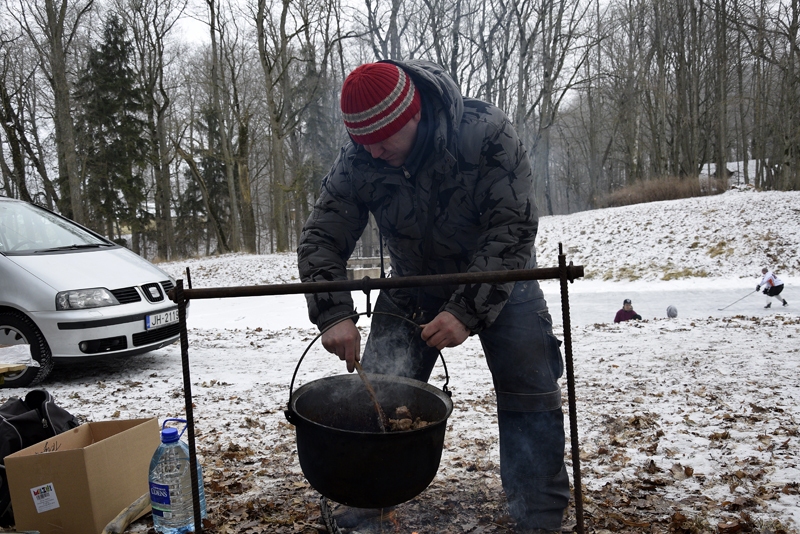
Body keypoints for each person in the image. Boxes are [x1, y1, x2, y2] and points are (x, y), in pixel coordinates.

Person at [297, 60, 568, 533]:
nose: (375, 153)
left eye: (384, 140)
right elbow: (322, 235)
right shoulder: (361, 156)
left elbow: (512, 227)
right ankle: (368, 501)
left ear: (415, 114)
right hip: (411, 284)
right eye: (365, 144)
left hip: (502, 278)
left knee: (531, 390)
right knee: (377, 394)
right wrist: (333, 312)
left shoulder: (485, 132)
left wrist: (465, 309)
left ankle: (539, 517)